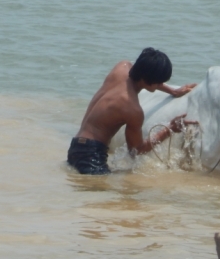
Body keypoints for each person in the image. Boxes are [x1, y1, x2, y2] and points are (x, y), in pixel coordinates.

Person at [67, 48, 197, 175]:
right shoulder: (132, 109)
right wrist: (170, 129)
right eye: (158, 82)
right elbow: (137, 150)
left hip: (76, 145)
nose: (160, 85)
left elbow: (145, 74)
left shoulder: (121, 67)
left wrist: (173, 91)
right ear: (147, 80)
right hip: (91, 155)